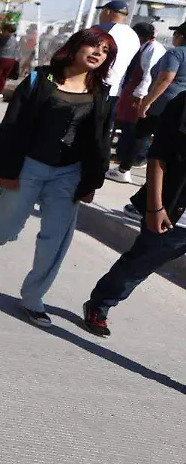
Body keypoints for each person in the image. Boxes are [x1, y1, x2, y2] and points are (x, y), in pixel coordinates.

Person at [0, 28, 115, 328]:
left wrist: (91, 182)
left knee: (56, 239)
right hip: (27, 166)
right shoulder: (39, 80)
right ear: (75, 48)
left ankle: (33, 297)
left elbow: (101, 141)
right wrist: (7, 169)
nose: (98, 53)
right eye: (93, 46)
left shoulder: (102, 93)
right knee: (7, 227)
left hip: (69, 174)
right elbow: (12, 125)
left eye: (106, 51)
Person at [82, 90, 186, 338]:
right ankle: (100, 304)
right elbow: (158, 156)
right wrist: (155, 207)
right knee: (138, 266)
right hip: (174, 214)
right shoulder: (182, 104)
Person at [107, 22, 166, 184]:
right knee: (126, 125)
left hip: (139, 94)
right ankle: (123, 157)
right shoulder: (145, 47)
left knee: (135, 129)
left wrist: (140, 94)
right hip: (131, 91)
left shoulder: (154, 49)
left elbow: (149, 74)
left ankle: (135, 159)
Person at [93, 0, 139, 118]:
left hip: (93, 85)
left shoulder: (101, 29)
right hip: (115, 89)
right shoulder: (133, 35)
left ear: (107, 11)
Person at [0, 23, 20, 99]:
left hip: (1, 59)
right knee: (4, 77)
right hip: (11, 60)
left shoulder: (3, 39)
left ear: (6, 30)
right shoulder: (15, 40)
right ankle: (0, 92)